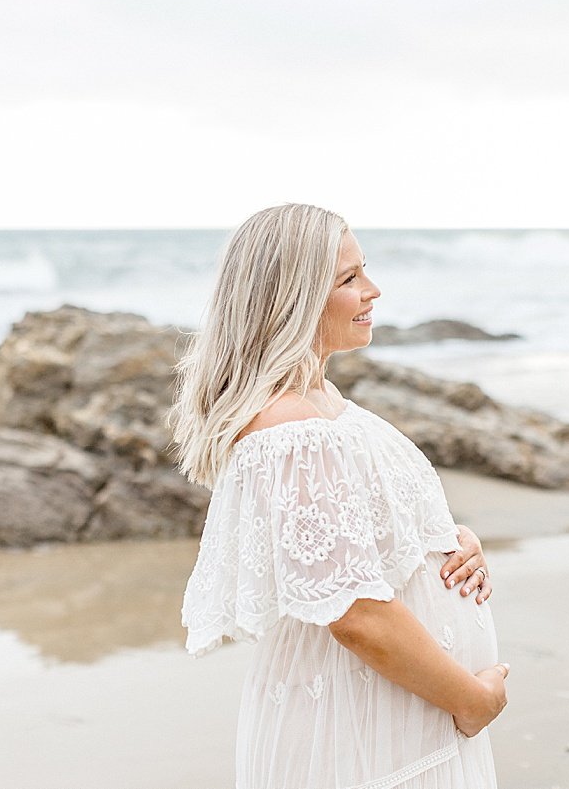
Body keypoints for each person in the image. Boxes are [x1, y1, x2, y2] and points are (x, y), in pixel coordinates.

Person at [169, 203, 509, 788]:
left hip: (391, 720)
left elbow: (361, 546)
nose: (372, 291)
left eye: (364, 271)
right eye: (349, 279)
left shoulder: (323, 403)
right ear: (294, 299)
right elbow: (354, 615)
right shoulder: (290, 430)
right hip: (360, 732)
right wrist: (471, 700)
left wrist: (450, 541)